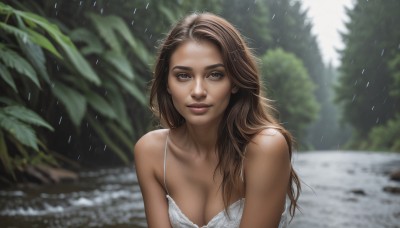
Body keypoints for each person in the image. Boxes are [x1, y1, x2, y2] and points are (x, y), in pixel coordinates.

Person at [134, 12, 301, 228]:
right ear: (167, 83)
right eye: (183, 75)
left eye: (215, 75)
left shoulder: (266, 148)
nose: (198, 91)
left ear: (235, 81)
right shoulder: (151, 152)